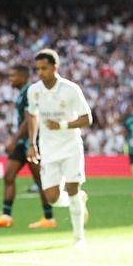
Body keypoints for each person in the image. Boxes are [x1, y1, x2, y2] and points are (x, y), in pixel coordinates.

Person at [26, 49, 91, 246]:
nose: (40, 72)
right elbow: (32, 115)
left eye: (44, 68)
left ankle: (78, 237)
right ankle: (78, 199)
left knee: (72, 188)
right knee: (52, 197)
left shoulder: (70, 89)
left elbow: (87, 118)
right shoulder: (34, 90)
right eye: (37, 69)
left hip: (71, 146)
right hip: (48, 149)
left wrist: (62, 125)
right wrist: (32, 143)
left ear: (55, 67)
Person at [0, 65, 55, 229]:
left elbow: (29, 119)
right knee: (9, 176)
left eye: (13, 76)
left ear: (23, 77)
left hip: (31, 142)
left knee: (40, 180)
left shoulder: (29, 92)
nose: (10, 79)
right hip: (22, 143)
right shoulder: (22, 94)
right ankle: (6, 216)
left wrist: (14, 140)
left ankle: (49, 218)